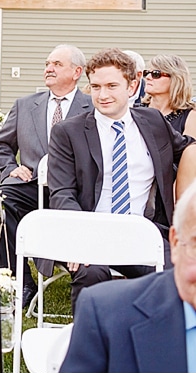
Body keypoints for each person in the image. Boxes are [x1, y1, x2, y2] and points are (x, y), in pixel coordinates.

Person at [48, 48, 196, 311]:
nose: (102, 95)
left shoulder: (153, 122)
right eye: (95, 87)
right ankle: (92, 347)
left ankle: (163, 345)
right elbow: (62, 194)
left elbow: (188, 147)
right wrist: (79, 239)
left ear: (132, 86)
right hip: (91, 234)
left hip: (145, 232)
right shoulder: (68, 132)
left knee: (180, 276)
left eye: (111, 86)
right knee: (91, 280)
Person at [58, 179, 196, 373]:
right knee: (91, 273)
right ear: (175, 243)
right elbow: (62, 192)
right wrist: (83, 239)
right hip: (91, 237)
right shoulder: (106, 319)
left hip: (144, 236)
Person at [0, 45, 92, 309]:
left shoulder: (92, 107)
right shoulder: (25, 106)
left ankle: (83, 266)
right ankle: (20, 281)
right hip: (31, 186)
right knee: (7, 196)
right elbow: (1, 145)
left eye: (58, 64)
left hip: (75, 191)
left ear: (77, 72)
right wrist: (9, 168)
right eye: (47, 63)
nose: (49, 68)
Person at [142, 54, 196, 137]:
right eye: (146, 73)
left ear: (175, 79)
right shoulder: (136, 111)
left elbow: (189, 148)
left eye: (156, 74)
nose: (148, 77)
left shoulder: (190, 116)